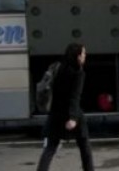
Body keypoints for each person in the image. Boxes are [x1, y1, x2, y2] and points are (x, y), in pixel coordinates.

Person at [37, 42, 94, 171]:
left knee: (50, 148)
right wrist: (73, 118)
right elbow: (75, 97)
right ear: (78, 56)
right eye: (83, 53)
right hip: (72, 114)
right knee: (84, 146)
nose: (85, 55)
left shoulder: (58, 67)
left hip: (56, 114)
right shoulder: (78, 73)